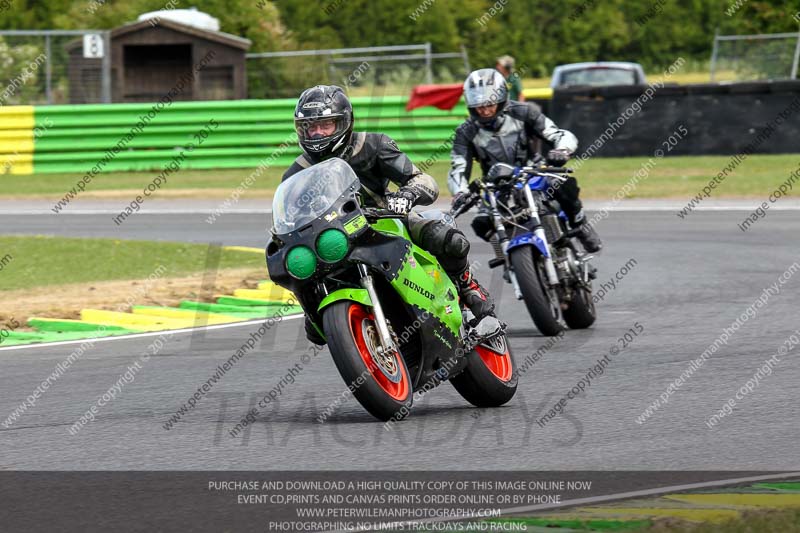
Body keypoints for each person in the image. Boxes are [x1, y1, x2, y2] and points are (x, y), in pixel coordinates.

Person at [283, 84, 501, 345]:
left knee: (445, 237)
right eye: (310, 126)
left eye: (325, 125)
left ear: (344, 122)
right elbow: (289, 218)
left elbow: (423, 180)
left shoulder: (374, 144)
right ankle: (321, 313)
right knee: (298, 273)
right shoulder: (297, 172)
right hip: (335, 240)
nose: (317, 132)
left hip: (385, 220)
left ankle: (468, 287)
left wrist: (406, 196)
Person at [448, 68, 602, 253]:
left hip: (533, 173)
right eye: (479, 105)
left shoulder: (523, 112)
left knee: (563, 186)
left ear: (501, 98)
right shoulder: (465, 132)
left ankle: (581, 226)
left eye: (490, 104)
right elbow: (458, 167)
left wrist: (562, 150)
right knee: (481, 224)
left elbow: (557, 134)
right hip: (496, 186)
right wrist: (460, 192)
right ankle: (507, 256)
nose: (485, 110)